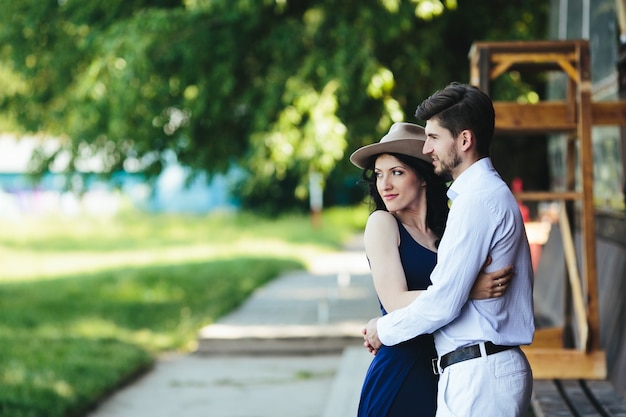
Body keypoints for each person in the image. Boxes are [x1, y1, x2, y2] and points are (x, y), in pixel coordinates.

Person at [363, 83, 535, 417]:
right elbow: (444, 295)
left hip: (480, 371)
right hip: (467, 369)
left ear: (465, 140)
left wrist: (380, 330)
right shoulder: (475, 198)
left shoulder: (475, 202)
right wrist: (466, 290)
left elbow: (443, 301)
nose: (427, 149)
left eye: (434, 138)